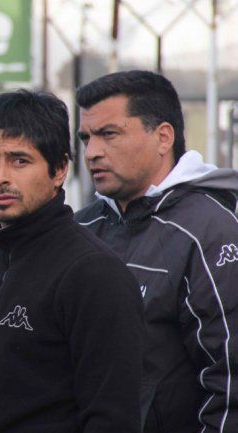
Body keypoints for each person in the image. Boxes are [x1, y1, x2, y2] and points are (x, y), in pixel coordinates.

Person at [0, 89, 143, 433]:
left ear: (59, 170)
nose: (0, 178)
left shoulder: (93, 273)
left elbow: (112, 417)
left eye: (20, 160)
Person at [75, 70, 238, 433]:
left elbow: (230, 379)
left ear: (163, 137)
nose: (92, 152)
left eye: (109, 134)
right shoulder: (81, 228)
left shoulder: (210, 231)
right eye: (86, 137)